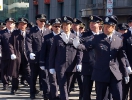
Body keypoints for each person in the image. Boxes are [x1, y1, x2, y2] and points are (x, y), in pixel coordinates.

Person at [73, 15, 129, 100]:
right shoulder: (97, 38)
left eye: (108, 26)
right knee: (102, 97)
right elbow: (87, 47)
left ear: (113, 27)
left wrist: (125, 74)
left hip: (115, 73)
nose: (105, 28)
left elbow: (121, 58)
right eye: (104, 26)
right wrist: (77, 45)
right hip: (101, 74)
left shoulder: (118, 40)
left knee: (118, 95)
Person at [49, 16, 83, 100]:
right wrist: (51, 66)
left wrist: (79, 63)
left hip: (71, 65)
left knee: (67, 85)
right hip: (60, 65)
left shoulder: (75, 37)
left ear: (71, 26)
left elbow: (79, 51)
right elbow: (52, 53)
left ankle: (64, 97)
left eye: (67, 25)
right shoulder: (57, 38)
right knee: (62, 84)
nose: (65, 27)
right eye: (63, 25)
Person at [26, 14, 51, 99]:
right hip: (35, 58)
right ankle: (32, 93)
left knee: (45, 77)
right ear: (37, 21)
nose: (43, 22)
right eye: (41, 21)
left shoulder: (48, 31)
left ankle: (46, 94)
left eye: (44, 21)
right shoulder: (31, 31)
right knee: (33, 77)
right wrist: (30, 52)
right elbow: (28, 43)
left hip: (44, 58)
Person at [39, 18, 61, 100]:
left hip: (61, 63)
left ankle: (58, 95)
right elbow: (43, 51)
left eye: (59, 26)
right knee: (53, 81)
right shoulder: (47, 37)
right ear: (52, 27)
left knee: (60, 81)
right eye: (55, 26)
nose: (57, 28)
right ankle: (54, 97)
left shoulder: (63, 36)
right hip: (50, 63)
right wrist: (42, 63)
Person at [81, 15, 102, 100]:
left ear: (99, 24)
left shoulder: (103, 35)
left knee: (100, 90)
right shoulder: (84, 35)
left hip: (100, 67)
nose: (91, 25)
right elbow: (80, 45)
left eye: (94, 23)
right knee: (86, 90)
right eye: (90, 23)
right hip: (88, 66)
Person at [8, 18, 31, 94]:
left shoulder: (29, 33)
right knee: (15, 72)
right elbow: (10, 44)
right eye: (20, 24)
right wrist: (12, 53)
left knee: (28, 72)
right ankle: (14, 88)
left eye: (23, 24)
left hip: (26, 55)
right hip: (17, 55)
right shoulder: (15, 33)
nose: (22, 26)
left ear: (26, 25)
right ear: (18, 25)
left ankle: (32, 87)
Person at [0, 17, 16, 90]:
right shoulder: (2, 33)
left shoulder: (16, 32)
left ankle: (14, 83)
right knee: (4, 69)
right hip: (5, 54)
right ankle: (5, 83)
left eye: (11, 23)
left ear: (14, 24)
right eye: (8, 23)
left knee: (13, 69)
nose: (10, 24)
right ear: (6, 24)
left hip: (15, 54)